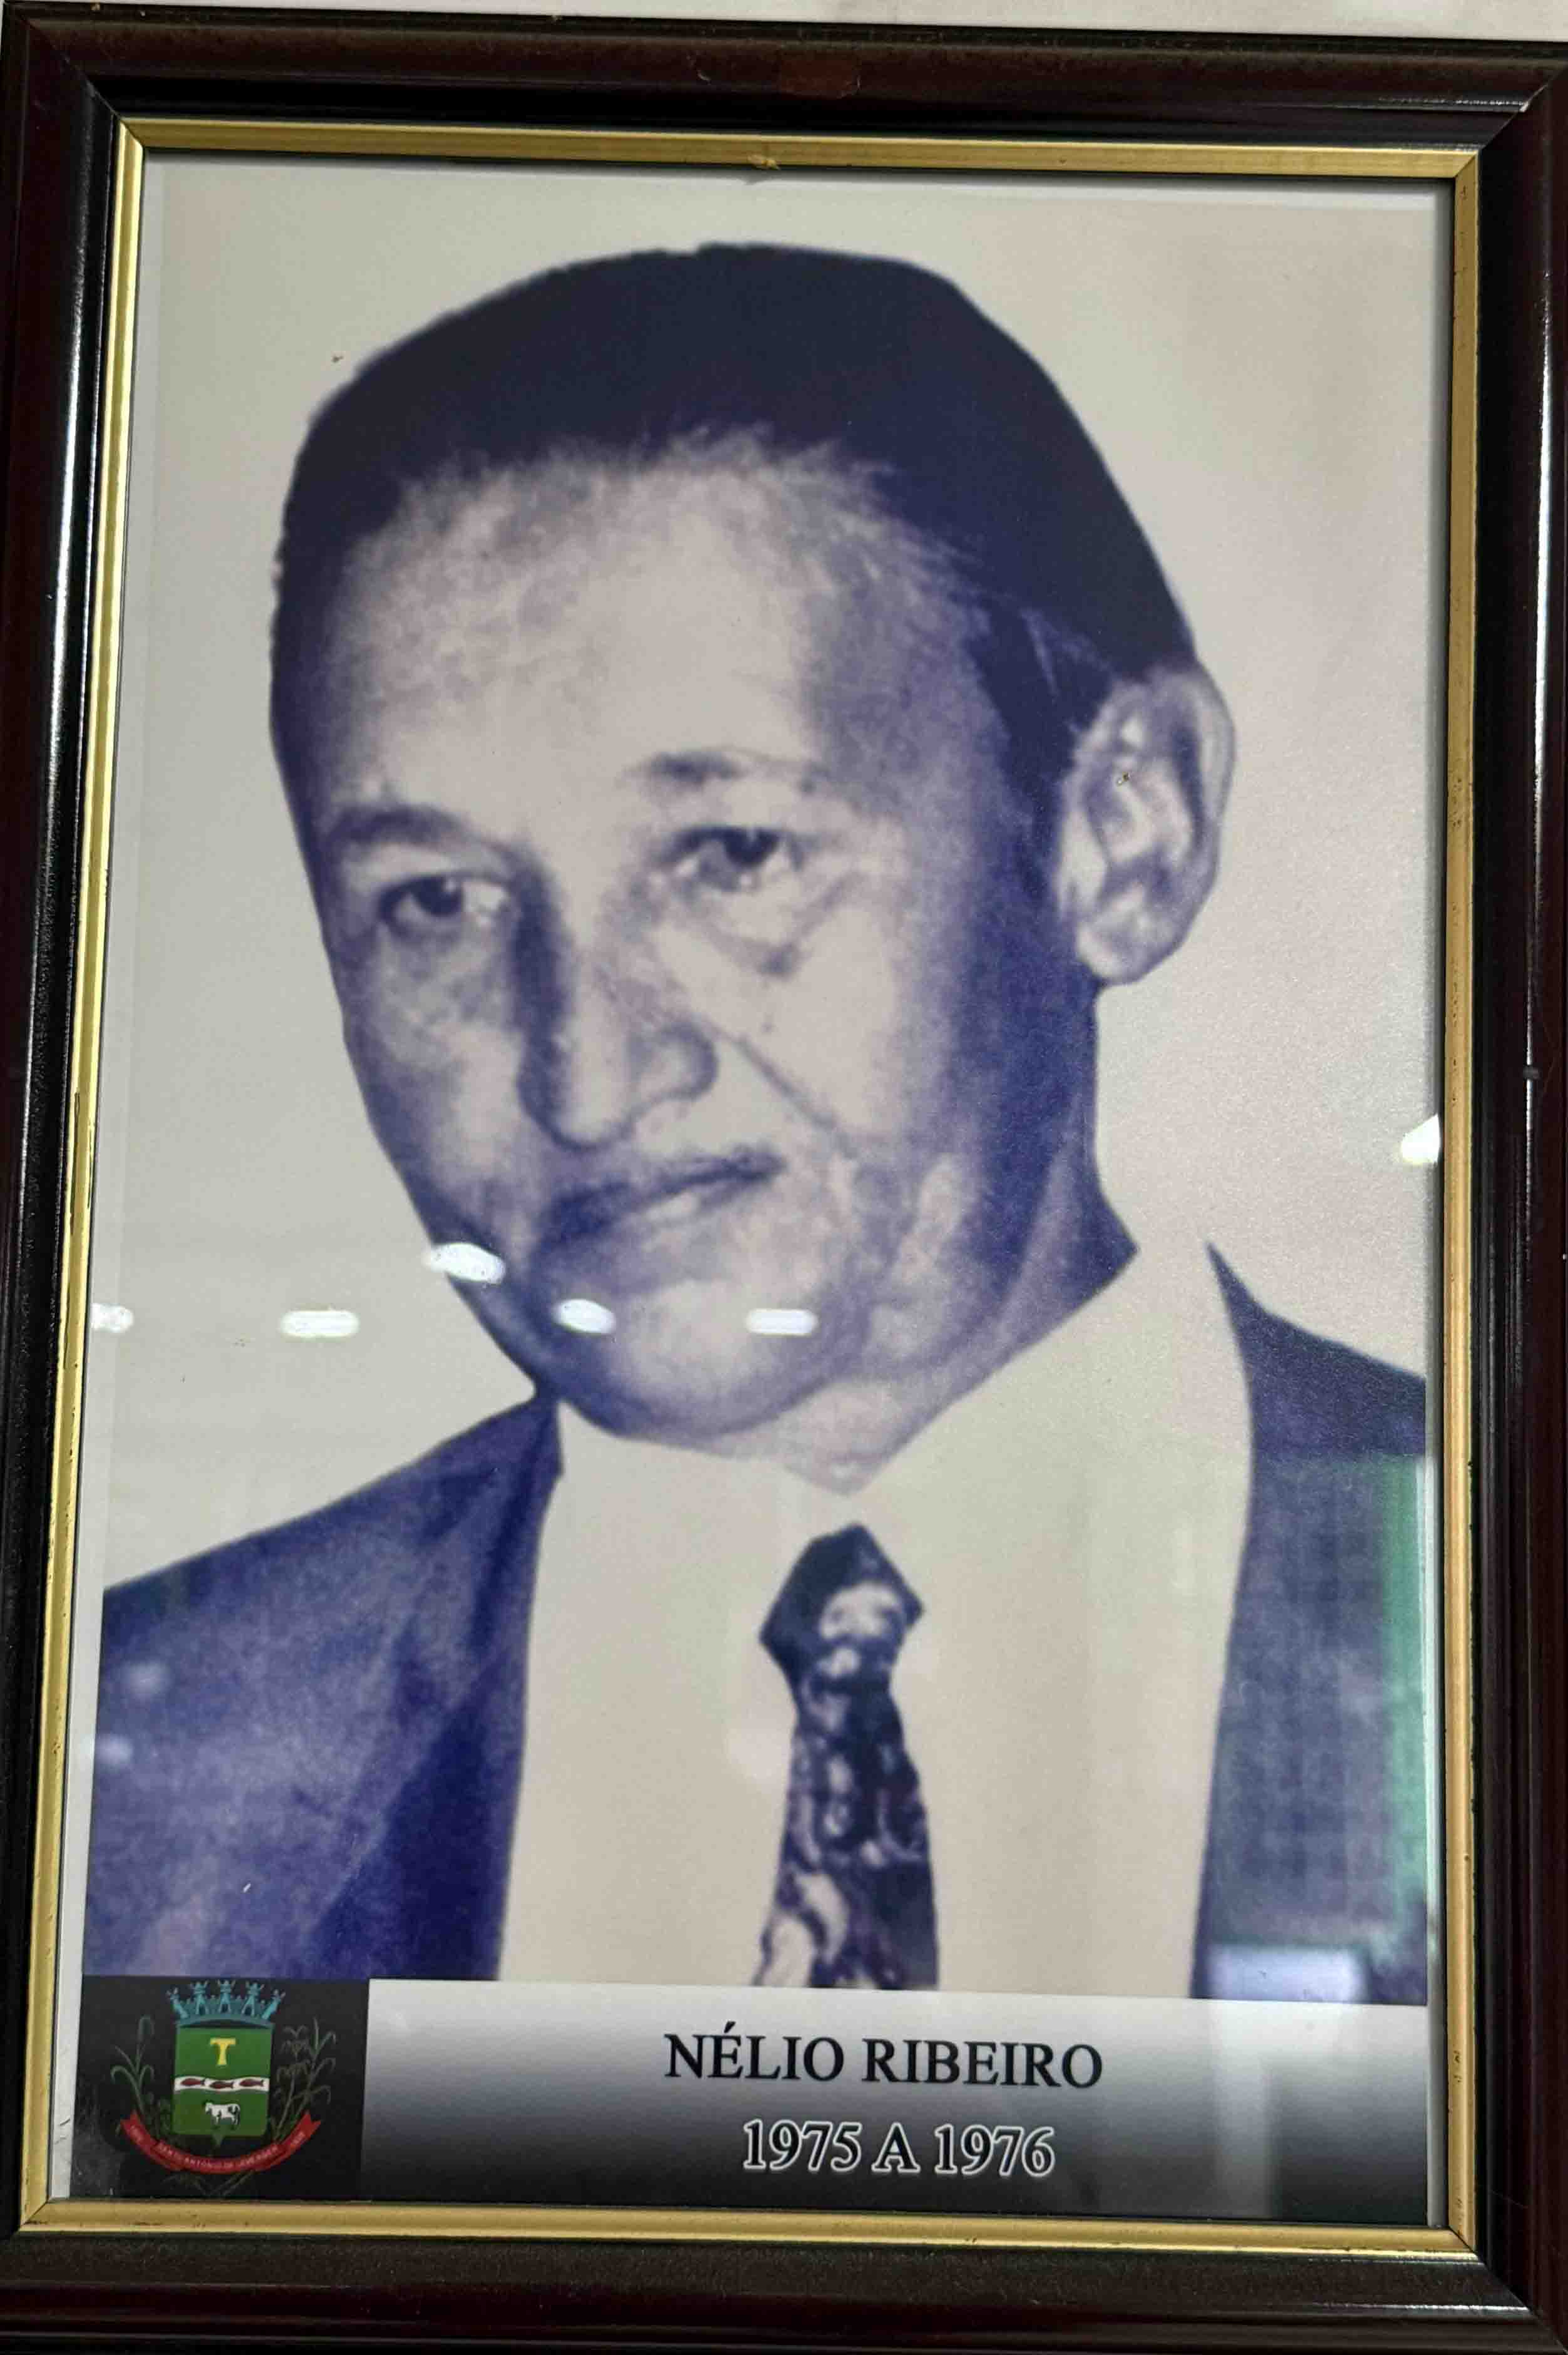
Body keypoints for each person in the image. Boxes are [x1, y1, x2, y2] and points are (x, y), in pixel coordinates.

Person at [83, 245, 1429, 2003]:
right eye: (438, 903)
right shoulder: (134, 1768)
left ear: (1124, 832)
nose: (585, 1076)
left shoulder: (1493, 1607)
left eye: (730, 855)